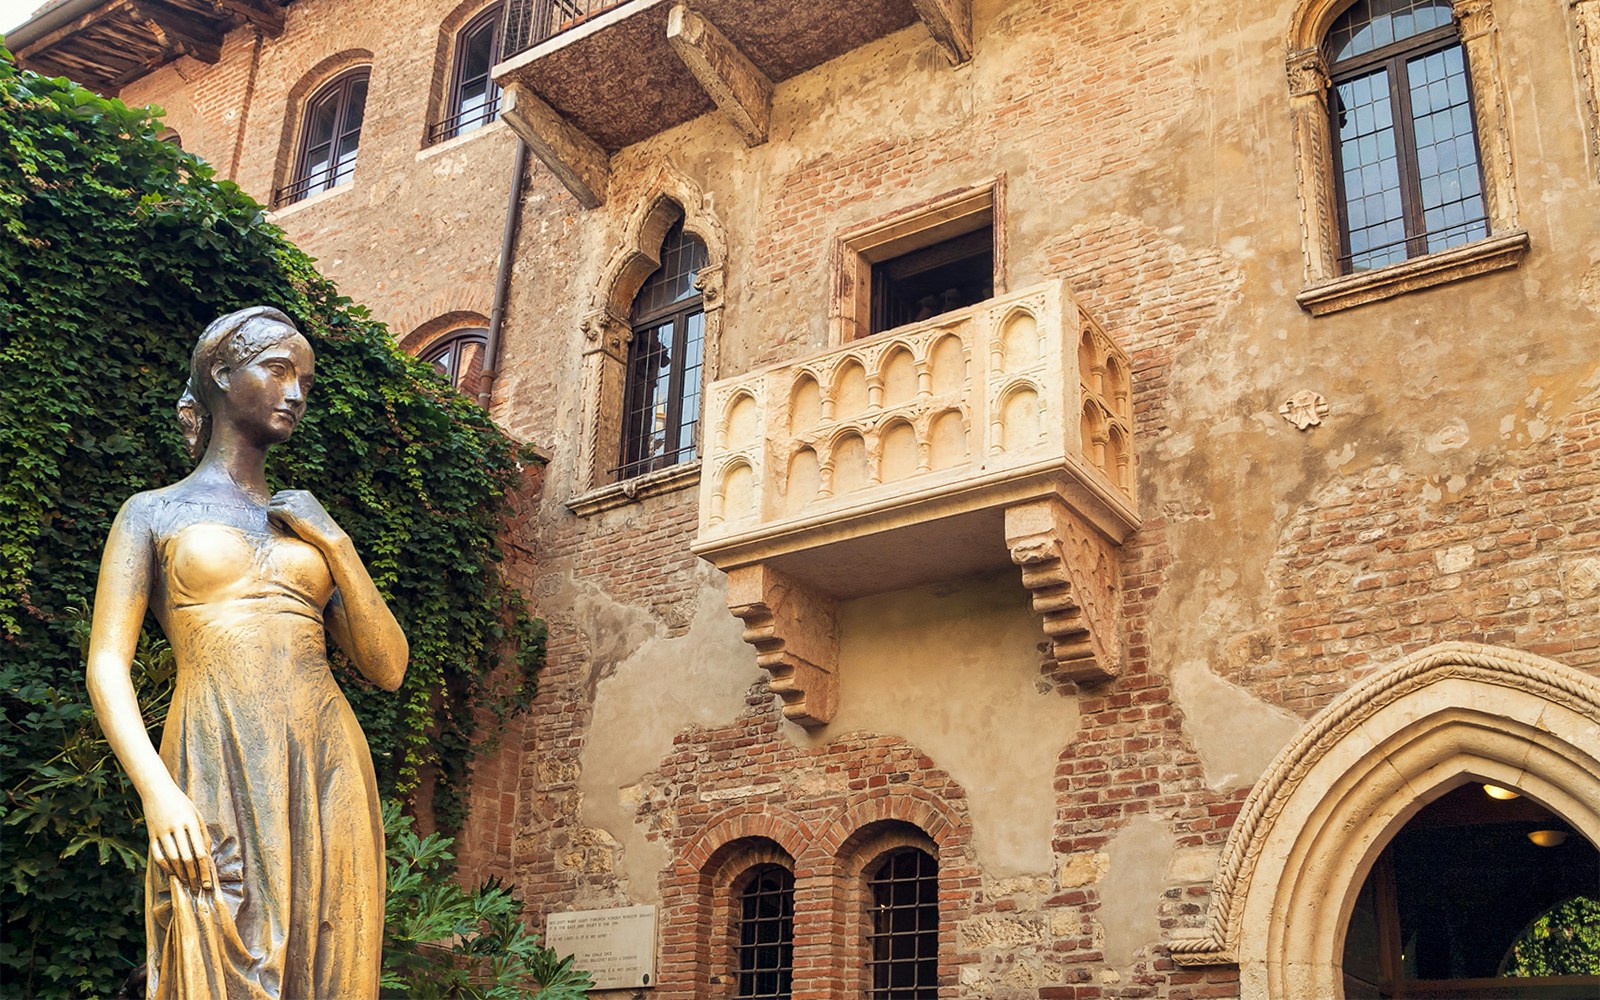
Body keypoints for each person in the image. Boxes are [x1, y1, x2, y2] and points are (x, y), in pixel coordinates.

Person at [86, 306, 407, 999]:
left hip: (324, 761)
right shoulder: (153, 511)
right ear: (223, 374)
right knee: (212, 941)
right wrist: (157, 792)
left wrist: (338, 545)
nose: (295, 393)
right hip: (215, 746)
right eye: (279, 369)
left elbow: (387, 668)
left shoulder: (306, 525)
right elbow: (107, 663)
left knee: (328, 965)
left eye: (307, 382)